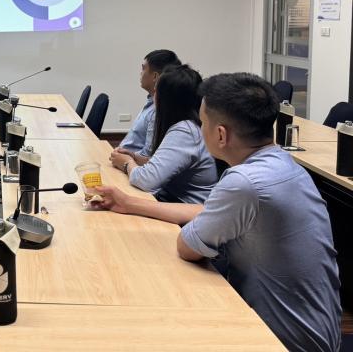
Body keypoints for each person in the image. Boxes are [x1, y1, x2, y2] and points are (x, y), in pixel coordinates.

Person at [94, 73, 341, 352]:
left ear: (221, 134)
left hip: (281, 341)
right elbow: (208, 212)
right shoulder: (283, 164)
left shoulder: (244, 182)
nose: (199, 130)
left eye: (203, 123)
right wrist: (130, 204)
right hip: (318, 332)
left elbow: (187, 247)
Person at [110, 64, 217, 203]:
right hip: (174, 201)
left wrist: (127, 163)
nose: (153, 96)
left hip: (184, 207)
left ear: (167, 99)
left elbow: (146, 181)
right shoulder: (189, 125)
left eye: (156, 91)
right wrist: (135, 157)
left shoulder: (185, 131)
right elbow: (166, 164)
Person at [113, 49, 181, 163]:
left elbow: (148, 156)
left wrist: (124, 159)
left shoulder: (158, 111)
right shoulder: (151, 102)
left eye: (143, 68)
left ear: (155, 76)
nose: (140, 73)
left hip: (130, 165)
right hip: (123, 160)